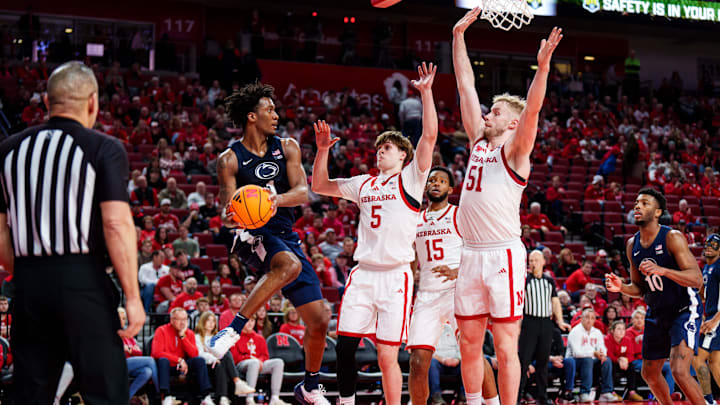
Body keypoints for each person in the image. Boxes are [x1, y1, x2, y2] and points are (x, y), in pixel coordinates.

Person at [0, 61, 144, 405]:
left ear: (47, 103)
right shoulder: (103, 148)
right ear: (92, 102)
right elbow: (115, 223)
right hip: (83, 283)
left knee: (30, 395)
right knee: (105, 392)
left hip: (28, 284)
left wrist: (29, 275)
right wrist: (133, 296)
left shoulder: (8, 150)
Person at [311, 62, 439, 405]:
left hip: (396, 276)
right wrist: (323, 151)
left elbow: (429, 137)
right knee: (345, 346)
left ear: (403, 155)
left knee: (386, 356)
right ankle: (348, 402)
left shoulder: (411, 178)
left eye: (388, 148)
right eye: (378, 147)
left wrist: (426, 94)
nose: (380, 150)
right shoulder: (363, 183)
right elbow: (320, 185)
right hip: (363, 273)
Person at [452, 8, 563, 405]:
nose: (487, 114)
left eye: (495, 112)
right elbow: (466, 87)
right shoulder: (477, 143)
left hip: (502, 254)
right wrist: (458, 36)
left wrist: (543, 67)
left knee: (504, 345)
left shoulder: (516, 152)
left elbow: (531, 109)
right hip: (469, 253)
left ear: (511, 124)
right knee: (468, 343)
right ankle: (475, 402)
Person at [207, 82, 330, 405]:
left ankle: (309, 387)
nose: (276, 114)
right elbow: (226, 209)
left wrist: (273, 199)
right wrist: (233, 216)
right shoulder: (229, 160)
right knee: (287, 264)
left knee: (319, 320)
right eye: (269, 109)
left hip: (285, 234)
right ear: (251, 116)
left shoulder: (287, 147)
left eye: (275, 109)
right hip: (251, 234)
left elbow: (303, 193)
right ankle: (231, 330)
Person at [606, 188, 704, 405]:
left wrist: (664, 270)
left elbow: (697, 279)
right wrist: (621, 286)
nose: (637, 206)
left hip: (684, 308)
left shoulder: (672, 237)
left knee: (679, 370)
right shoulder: (632, 245)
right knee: (649, 373)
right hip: (656, 311)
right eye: (636, 203)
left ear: (658, 212)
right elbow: (639, 288)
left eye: (644, 203)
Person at [406, 167, 465, 405]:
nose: (436, 183)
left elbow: (478, 251)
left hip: (456, 291)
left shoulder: (460, 215)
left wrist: (457, 272)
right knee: (418, 361)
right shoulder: (415, 219)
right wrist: (408, 291)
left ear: (450, 189)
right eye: (432, 180)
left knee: (472, 356)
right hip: (427, 295)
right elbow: (410, 259)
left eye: (442, 181)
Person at [518, 250, 570, 405]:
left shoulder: (549, 281)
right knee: (523, 361)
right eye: (531, 260)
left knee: (542, 362)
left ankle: (542, 396)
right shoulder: (524, 280)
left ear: (543, 262)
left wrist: (560, 321)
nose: (532, 263)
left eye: (535, 260)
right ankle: (517, 395)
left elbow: (555, 302)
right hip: (529, 322)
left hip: (546, 323)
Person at [151, 307, 215, 405]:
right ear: (172, 320)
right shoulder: (161, 330)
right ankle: (166, 397)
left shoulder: (188, 333)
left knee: (199, 360)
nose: (183, 323)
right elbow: (156, 352)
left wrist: (182, 336)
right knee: (163, 360)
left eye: (185, 319)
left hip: (183, 366)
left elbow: (194, 354)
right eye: (179, 319)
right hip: (168, 365)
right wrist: (178, 360)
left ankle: (205, 396)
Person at [195, 311, 255, 405]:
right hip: (206, 366)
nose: (211, 324)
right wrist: (213, 358)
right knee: (224, 354)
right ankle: (237, 381)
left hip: (218, 364)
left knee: (223, 357)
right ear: (202, 322)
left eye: (213, 321)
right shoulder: (197, 337)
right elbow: (199, 354)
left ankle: (223, 397)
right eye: (208, 321)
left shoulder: (217, 336)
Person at [230, 315, 290, 405]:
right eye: (248, 321)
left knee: (278, 362)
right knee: (254, 363)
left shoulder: (259, 338)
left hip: (257, 363)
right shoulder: (236, 337)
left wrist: (260, 361)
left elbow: (265, 356)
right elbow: (235, 358)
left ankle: (275, 397)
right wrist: (251, 359)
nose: (250, 323)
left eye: (252, 321)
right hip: (241, 365)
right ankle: (249, 398)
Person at [565, 308, 621, 402]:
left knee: (606, 360)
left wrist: (603, 354)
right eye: (587, 317)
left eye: (592, 318)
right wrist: (593, 353)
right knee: (588, 360)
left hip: (591, 360)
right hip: (575, 361)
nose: (589, 320)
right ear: (581, 318)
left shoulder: (597, 332)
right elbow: (576, 353)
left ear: (595, 320)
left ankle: (606, 392)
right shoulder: (575, 332)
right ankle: (584, 392)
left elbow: (602, 347)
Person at [693, 234, 720, 405]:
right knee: (714, 362)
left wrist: (714, 320)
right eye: (707, 244)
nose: (709, 247)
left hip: (717, 320)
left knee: (697, 359)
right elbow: (706, 295)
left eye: (715, 245)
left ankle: (708, 401)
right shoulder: (706, 268)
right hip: (711, 317)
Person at [119, 307, 158, 401]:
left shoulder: (128, 334)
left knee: (147, 371)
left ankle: (126, 398)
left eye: (124, 318)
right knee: (150, 360)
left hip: (129, 364)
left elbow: (139, 352)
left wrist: (129, 349)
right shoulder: (111, 333)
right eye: (119, 318)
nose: (122, 321)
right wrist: (129, 349)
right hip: (117, 365)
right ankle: (160, 393)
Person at [604, 320, 643, 401]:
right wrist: (619, 360)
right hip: (613, 363)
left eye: (623, 329)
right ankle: (612, 392)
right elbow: (609, 355)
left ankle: (632, 392)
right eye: (619, 329)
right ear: (612, 330)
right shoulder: (607, 339)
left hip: (624, 363)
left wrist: (625, 360)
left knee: (631, 366)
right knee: (611, 366)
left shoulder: (627, 340)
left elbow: (630, 354)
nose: (622, 331)